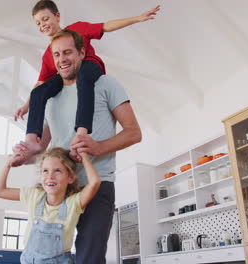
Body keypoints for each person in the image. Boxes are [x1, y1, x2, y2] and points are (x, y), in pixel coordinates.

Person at [12, 30, 142, 263]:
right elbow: (42, 149)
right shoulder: (48, 97)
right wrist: (25, 158)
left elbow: (134, 132)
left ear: (82, 53)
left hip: (96, 185)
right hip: (57, 189)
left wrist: (98, 147)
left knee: (89, 259)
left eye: (68, 52)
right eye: (57, 54)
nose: (62, 59)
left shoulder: (106, 84)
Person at [12, 0, 160, 165]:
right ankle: (31, 140)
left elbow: (106, 26)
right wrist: (26, 106)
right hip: (67, 74)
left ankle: (81, 133)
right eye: (38, 23)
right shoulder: (49, 54)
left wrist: (137, 19)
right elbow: (40, 83)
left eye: (45, 19)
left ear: (57, 16)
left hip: (89, 66)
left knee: (83, 77)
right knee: (38, 92)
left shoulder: (77, 28)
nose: (43, 25)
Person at [0, 147, 100, 264]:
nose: (50, 176)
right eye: (45, 171)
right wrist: (8, 164)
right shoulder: (34, 195)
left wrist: (84, 157)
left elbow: (95, 182)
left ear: (70, 178)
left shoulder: (73, 203)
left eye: (57, 171)